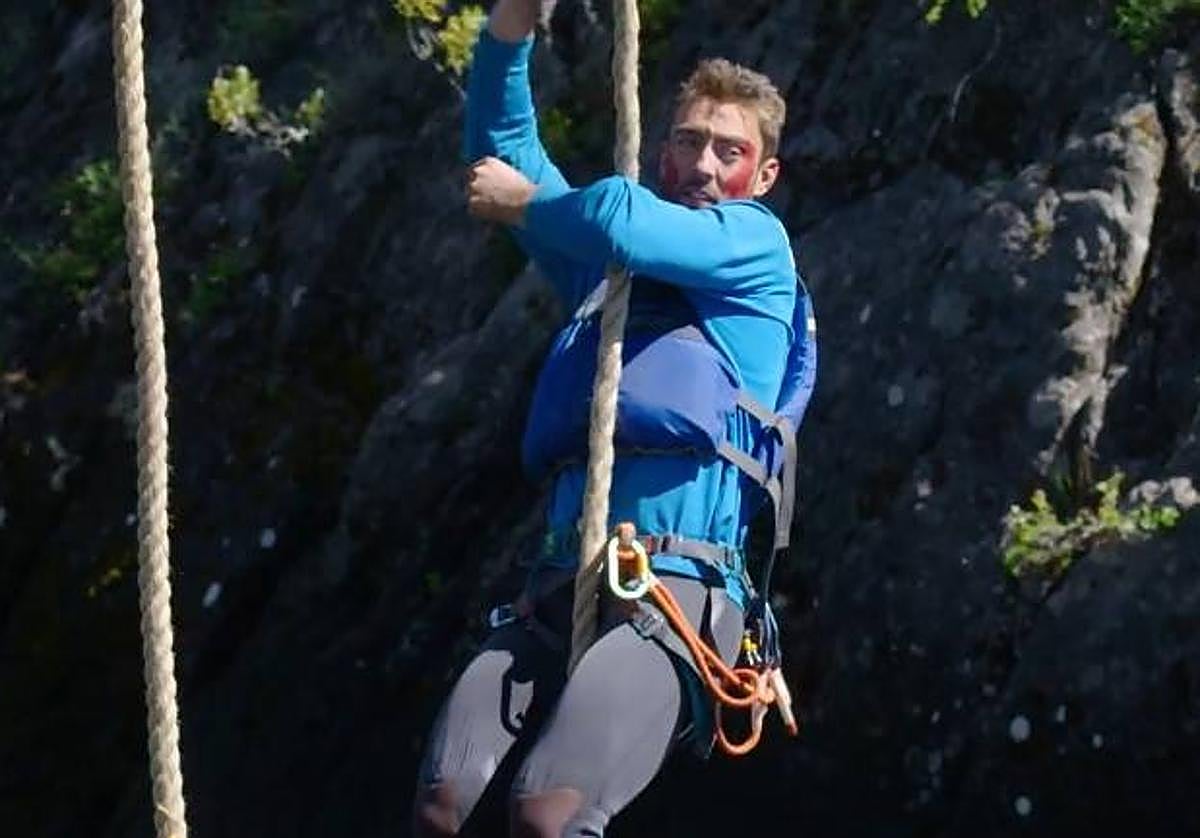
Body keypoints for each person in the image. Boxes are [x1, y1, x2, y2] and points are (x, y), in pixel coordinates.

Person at [413, 0, 803, 835]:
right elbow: (503, 150)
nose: (705, 163)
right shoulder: (608, 284)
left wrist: (525, 206)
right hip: (563, 583)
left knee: (549, 818)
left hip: (681, 595)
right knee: (445, 807)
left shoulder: (757, 253)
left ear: (762, 176)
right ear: (665, 154)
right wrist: (512, 25)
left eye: (730, 151)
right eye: (691, 142)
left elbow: (612, 213)